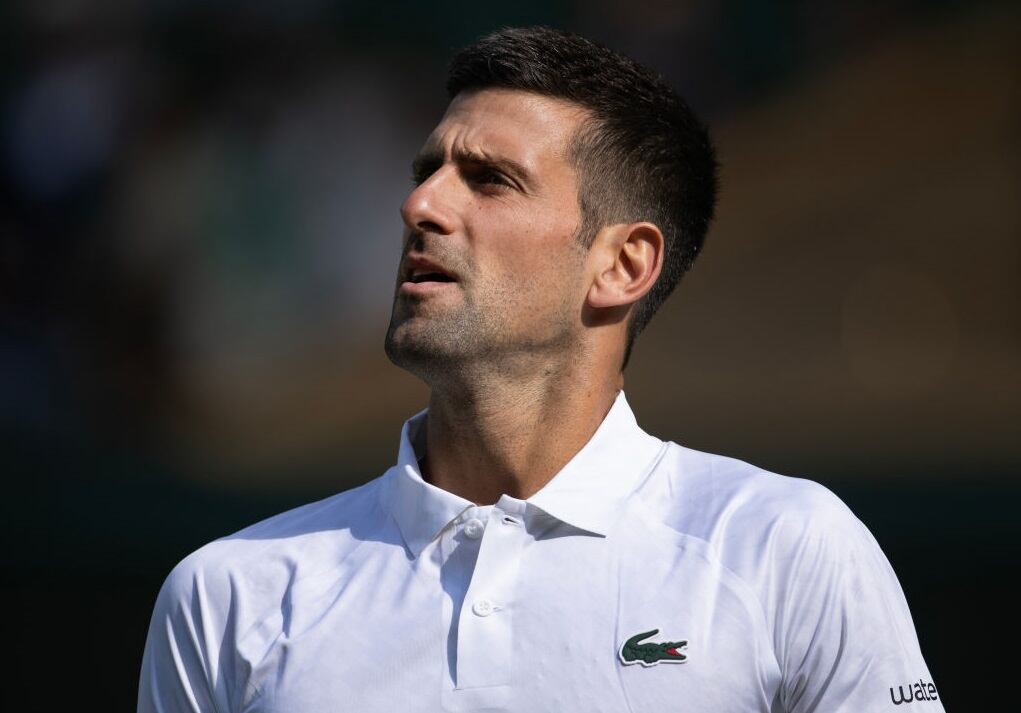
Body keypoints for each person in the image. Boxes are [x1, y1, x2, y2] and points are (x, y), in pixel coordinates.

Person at [138, 27, 944, 713]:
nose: (420, 205)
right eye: (427, 170)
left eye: (490, 179)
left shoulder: (785, 549)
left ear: (623, 265)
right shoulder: (224, 596)